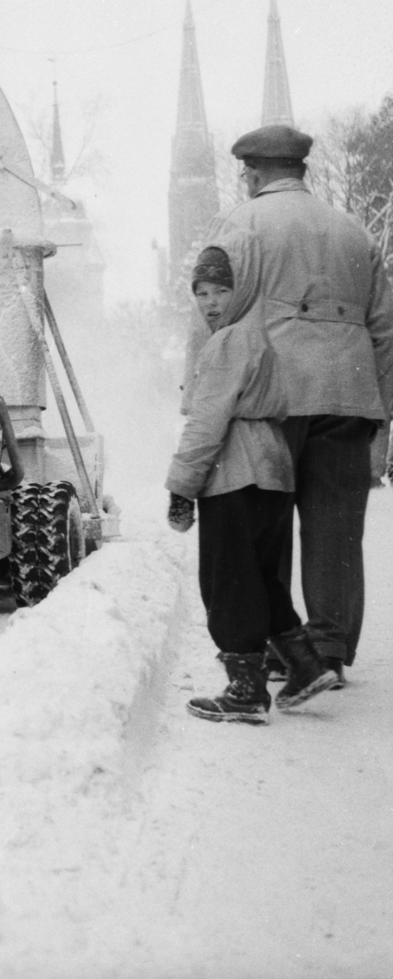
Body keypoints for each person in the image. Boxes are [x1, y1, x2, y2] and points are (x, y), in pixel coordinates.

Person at [204, 124, 393, 685]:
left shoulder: (240, 224)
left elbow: (219, 312)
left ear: (254, 173)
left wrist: (211, 388)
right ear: (301, 170)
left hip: (274, 395)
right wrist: (380, 410)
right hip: (350, 393)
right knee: (336, 529)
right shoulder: (354, 231)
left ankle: (279, 649)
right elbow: (384, 330)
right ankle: (329, 647)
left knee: (265, 520)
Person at [167, 235, 336, 723]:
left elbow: (206, 422)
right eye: (201, 292)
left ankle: (246, 693)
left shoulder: (228, 341)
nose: (211, 302)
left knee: (228, 582)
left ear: (240, 291)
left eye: (221, 290)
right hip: (274, 472)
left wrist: (181, 485)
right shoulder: (260, 335)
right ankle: (305, 666)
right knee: (261, 579)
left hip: (234, 473)